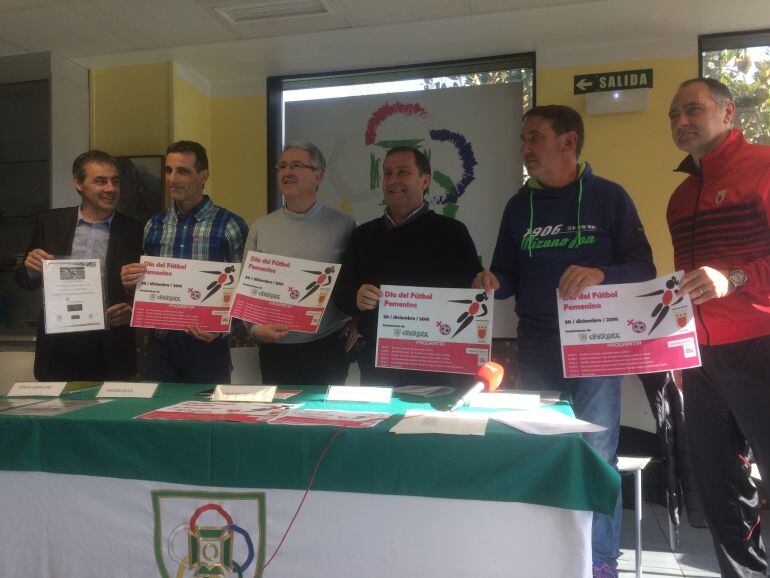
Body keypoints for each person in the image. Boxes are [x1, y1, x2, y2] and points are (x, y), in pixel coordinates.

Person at [473, 105, 656, 578]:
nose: (525, 148)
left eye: (535, 138)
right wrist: (492, 281)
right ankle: (547, 555)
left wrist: (601, 273)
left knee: (596, 452)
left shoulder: (609, 197)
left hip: (596, 342)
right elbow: (508, 274)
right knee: (542, 447)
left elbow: (643, 269)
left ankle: (599, 561)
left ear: (568, 143)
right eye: (523, 139)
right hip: (535, 340)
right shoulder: (519, 206)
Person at [666, 77, 770, 578]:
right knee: (719, 488)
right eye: (673, 115)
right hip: (701, 360)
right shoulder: (680, 197)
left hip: (761, 344)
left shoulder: (764, 168)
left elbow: (727, 277)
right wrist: (678, 351)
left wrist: (734, 278)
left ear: (728, 114)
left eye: (693, 110)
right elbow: (682, 287)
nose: (680, 122)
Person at [333, 146, 482, 386]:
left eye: (403, 172)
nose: (393, 180)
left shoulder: (452, 233)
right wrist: (356, 299)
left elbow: (474, 294)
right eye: (387, 173)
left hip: (440, 366)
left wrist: (485, 285)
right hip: (379, 367)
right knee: (382, 424)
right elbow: (341, 293)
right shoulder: (363, 235)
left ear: (424, 180)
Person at [121, 141, 248, 384]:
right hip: (161, 346)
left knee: (206, 419)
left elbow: (243, 292)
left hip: (207, 347)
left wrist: (224, 325)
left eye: (183, 171)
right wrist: (131, 282)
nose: (172, 178)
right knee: (158, 418)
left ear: (204, 176)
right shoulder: (154, 225)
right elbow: (144, 287)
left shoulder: (230, 225)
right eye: (168, 170)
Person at [16, 150, 144, 381]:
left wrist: (131, 310)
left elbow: (147, 287)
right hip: (59, 346)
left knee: (108, 415)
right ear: (78, 183)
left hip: (111, 347)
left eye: (115, 181)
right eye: (100, 181)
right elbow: (24, 281)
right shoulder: (50, 222)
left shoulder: (135, 230)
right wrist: (30, 268)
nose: (110, 188)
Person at [245, 143, 355, 384]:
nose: (287, 172)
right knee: (278, 420)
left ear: (319, 175)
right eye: (282, 166)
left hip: (326, 348)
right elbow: (247, 291)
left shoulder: (343, 225)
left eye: (296, 165)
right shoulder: (261, 227)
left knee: (324, 420)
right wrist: (254, 330)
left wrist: (357, 322)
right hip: (276, 350)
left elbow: (354, 282)